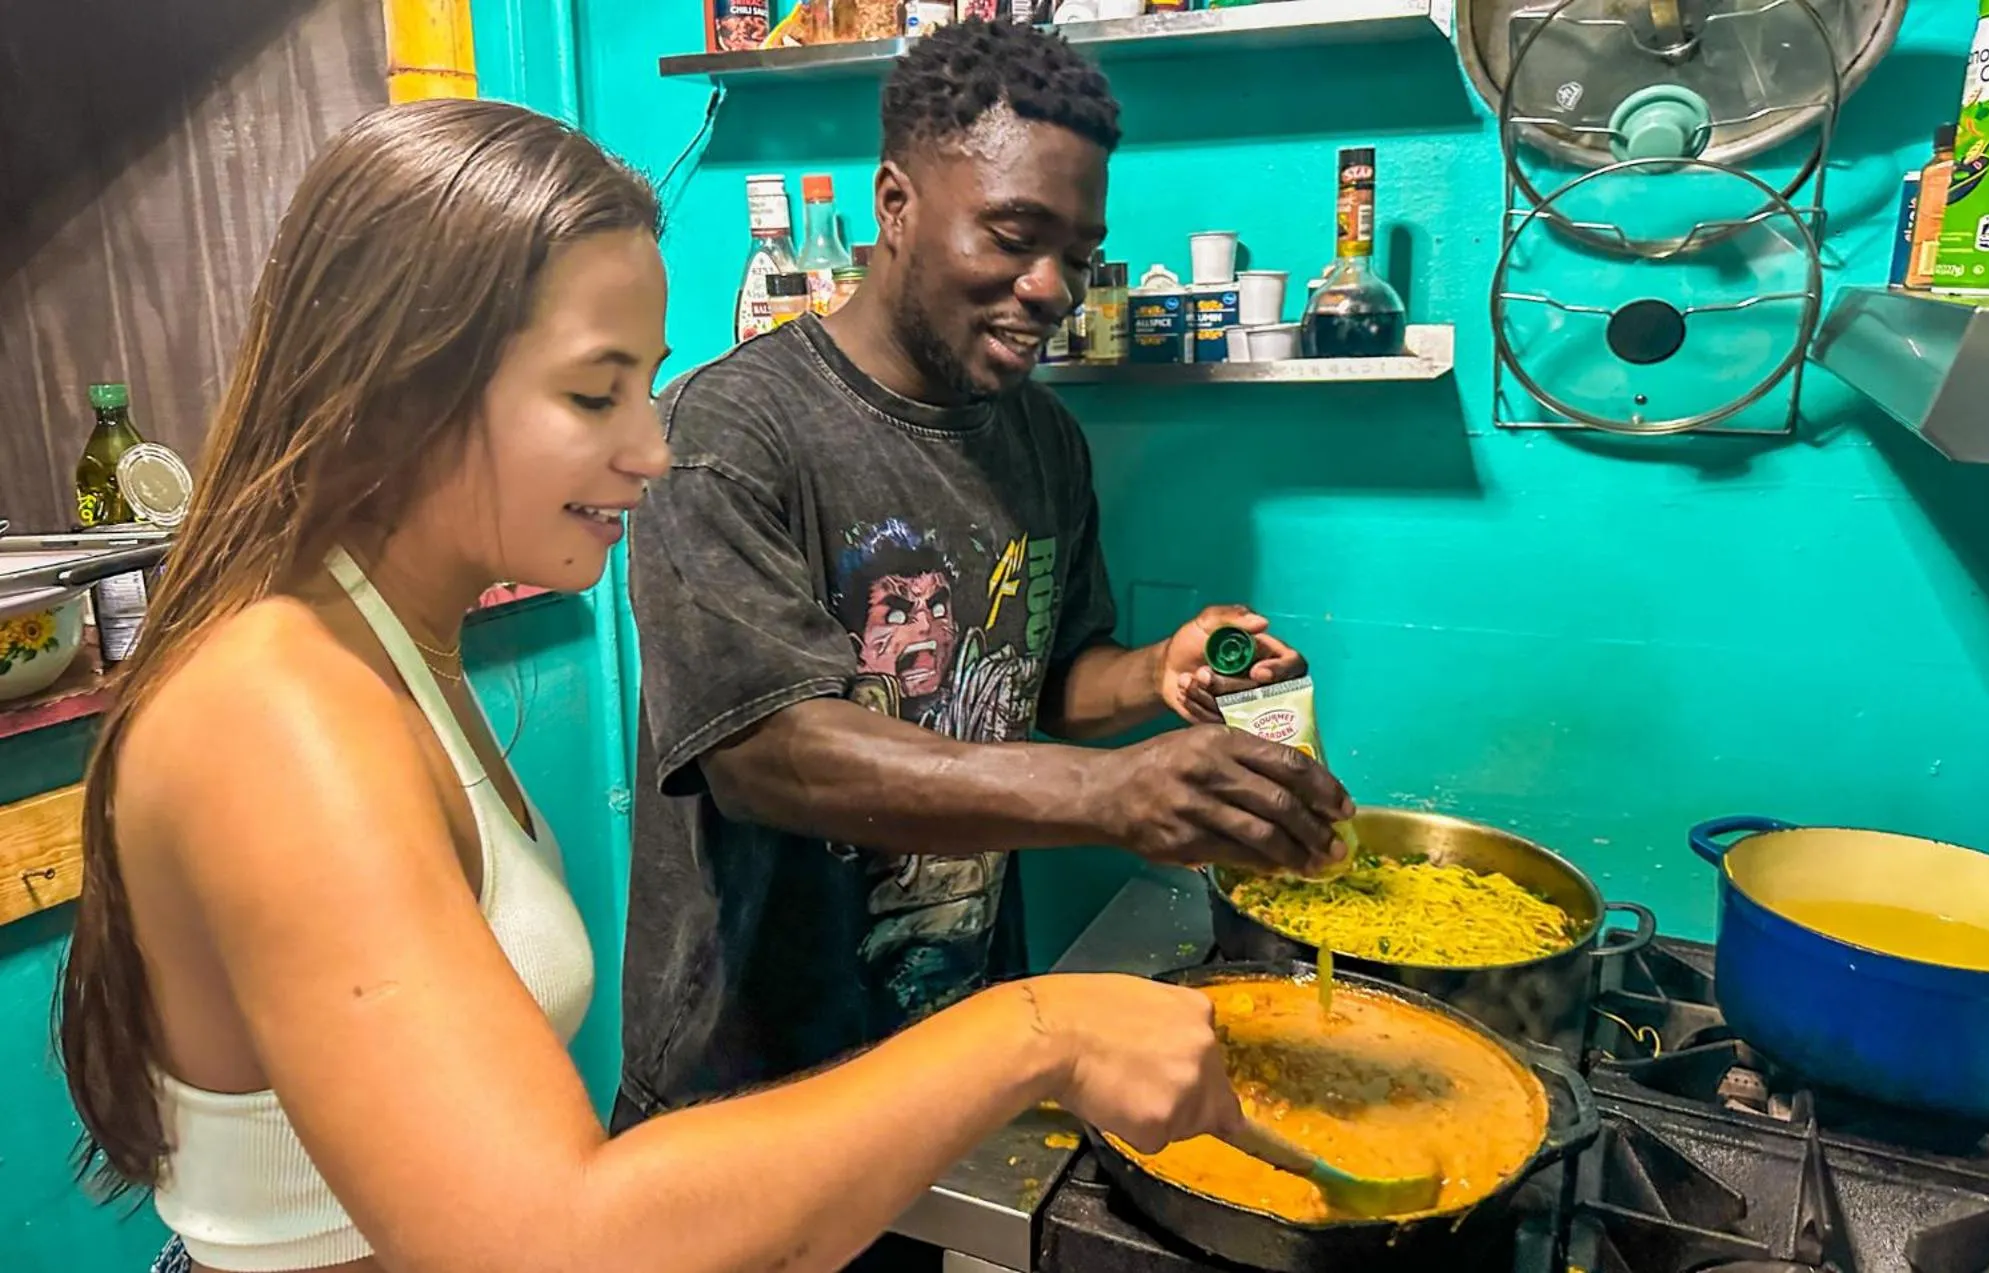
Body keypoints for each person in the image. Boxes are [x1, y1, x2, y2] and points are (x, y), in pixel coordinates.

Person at [55, 98, 1245, 1273]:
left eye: (645, 386)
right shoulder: (276, 712)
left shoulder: (388, 652)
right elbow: (547, 1242)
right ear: (399, 384)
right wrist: (1039, 1029)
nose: (653, 448)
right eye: (592, 394)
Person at [621, 19, 1355, 1125]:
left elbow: (1047, 675)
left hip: (954, 1044)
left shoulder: (1039, 437)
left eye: (1081, 252)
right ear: (894, 204)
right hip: (745, 1082)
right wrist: (1110, 793)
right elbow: (765, 756)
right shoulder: (732, 431)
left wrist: (1164, 670)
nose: (1052, 286)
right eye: (1013, 234)